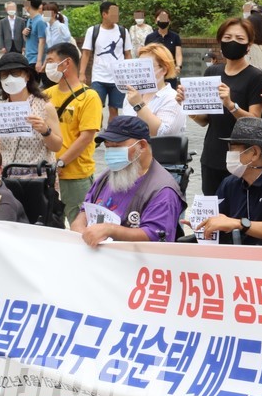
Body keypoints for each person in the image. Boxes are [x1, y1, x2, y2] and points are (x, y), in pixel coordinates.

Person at [178, 17, 262, 196]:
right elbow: (204, 121)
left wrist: (231, 105)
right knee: (213, 210)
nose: (233, 42)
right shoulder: (212, 72)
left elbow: (254, 122)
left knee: (239, 212)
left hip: (242, 158)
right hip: (212, 156)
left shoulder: (255, 76)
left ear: (249, 45)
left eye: (240, 39)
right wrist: (187, 105)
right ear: (220, 41)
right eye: (227, 37)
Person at [71, 116, 185, 246]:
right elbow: (85, 210)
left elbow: (155, 235)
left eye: (117, 147)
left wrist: (111, 230)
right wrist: (79, 230)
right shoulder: (108, 175)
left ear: (142, 146)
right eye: (108, 147)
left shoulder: (162, 190)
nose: (111, 153)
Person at [193, 117, 262, 245]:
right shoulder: (230, 182)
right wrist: (201, 223)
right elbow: (218, 219)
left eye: (233, 148)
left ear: (254, 153)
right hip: (235, 256)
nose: (228, 153)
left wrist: (239, 224)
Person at [0, 52, 63, 175]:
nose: (10, 79)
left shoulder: (45, 107)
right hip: (6, 177)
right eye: (4, 75)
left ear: (27, 76)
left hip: (38, 179)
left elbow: (57, 146)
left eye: (15, 74)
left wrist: (45, 131)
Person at [44, 42, 103, 225]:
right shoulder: (45, 95)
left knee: (80, 225)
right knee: (51, 224)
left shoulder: (89, 97)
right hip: (48, 175)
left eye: (51, 61)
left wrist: (61, 163)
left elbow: (86, 137)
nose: (47, 66)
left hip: (75, 174)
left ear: (66, 63)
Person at [80, 1, 132, 122]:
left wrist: (130, 74)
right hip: (99, 76)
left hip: (118, 78)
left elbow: (127, 54)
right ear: (104, 14)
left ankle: (111, 137)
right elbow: (86, 53)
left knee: (114, 110)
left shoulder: (123, 31)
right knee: (96, 107)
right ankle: (97, 136)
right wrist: (82, 73)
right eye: (113, 13)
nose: (116, 16)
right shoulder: (93, 31)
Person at [120, 43, 186, 137]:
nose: (141, 71)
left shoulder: (173, 98)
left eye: (146, 67)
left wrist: (139, 105)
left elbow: (163, 133)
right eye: (138, 67)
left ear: (164, 70)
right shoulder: (131, 95)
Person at [143, 9, 183, 85]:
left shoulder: (175, 37)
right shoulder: (150, 37)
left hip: (170, 73)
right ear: (155, 20)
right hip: (154, 73)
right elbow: (146, 55)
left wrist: (178, 66)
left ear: (169, 21)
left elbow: (178, 54)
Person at [21, 0, 46, 74]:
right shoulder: (29, 20)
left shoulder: (40, 21)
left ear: (29, 4)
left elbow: (42, 42)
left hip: (35, 59)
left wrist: (39, 61)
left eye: (25, 2)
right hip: (28, 57)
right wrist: (24, 34)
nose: (24, 5)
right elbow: (28, 39)